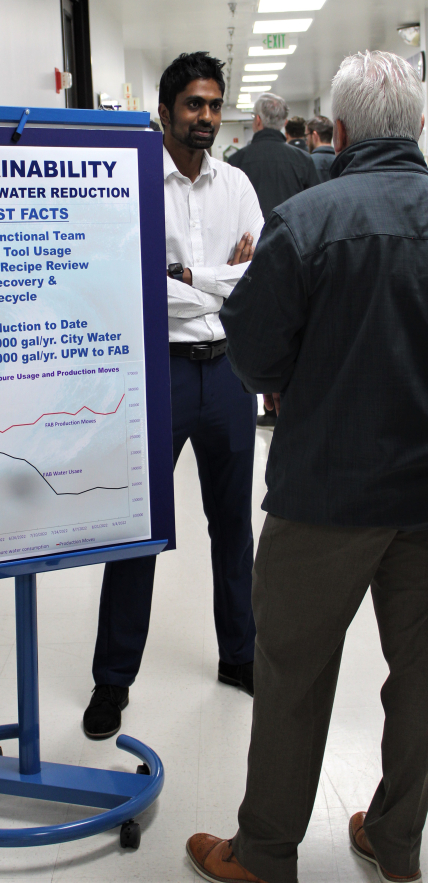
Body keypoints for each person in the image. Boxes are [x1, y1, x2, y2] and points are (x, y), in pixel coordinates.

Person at [186, 50, 428, 883]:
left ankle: (266, 854)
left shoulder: (311, 220)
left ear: (343, 130)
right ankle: (397, 842)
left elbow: (251, 351)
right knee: (424, 678)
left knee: (291, 676)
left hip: (325, 491)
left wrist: (292, 377)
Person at [82, 52, 264, 739]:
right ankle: (112, 680)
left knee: (232, 526)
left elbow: (257, 276)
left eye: (215, 105)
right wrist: (217, 278)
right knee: (137, 529)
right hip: (154, 371)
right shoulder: (128, 185)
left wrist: (187, 275)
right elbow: (131, 282)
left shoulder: (239, 187)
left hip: (226, 375)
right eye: (193, 105)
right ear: (164, 111)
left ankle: (239, 655)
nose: (206, 119)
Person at [228, 93, 318, 431]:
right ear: (283, 122)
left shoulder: (235, 163)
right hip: (299, 262)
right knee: (296, 330)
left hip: (247, 265)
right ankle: (287, 399)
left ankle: (266, 396)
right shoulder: (302, 162)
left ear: (257, 121)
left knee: (259, 332)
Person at [306, 114, 336, 181]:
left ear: (314, 135)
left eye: (307, 135)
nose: (306, 141)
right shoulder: (343, 161)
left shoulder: (307, 163)